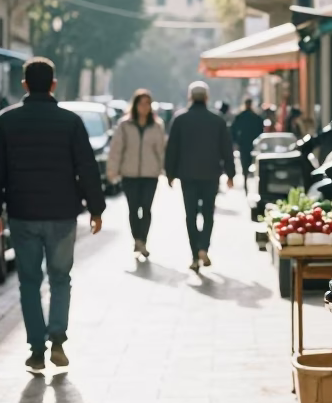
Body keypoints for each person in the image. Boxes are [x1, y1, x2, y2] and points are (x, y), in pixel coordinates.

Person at [0, 57, 105, 372]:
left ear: (24, 84)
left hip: (23, 213)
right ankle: (58, 339)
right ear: (53, 84)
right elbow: (87, 168)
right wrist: (96, 208)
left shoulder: (7, 122)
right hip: (63, 214)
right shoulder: (70, 122)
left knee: (29, 281)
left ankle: (36, 347)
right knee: (61, 277)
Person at [165, 80, 236, 271]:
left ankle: (195, 253)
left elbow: (172, 149)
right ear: (207, 97)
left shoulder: (180, 120)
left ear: (190, 97)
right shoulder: (217, 121)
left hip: (187, 175)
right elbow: (226, 149)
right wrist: (231, 174)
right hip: (211, 174)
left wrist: (169, 173)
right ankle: (204, 246)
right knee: (207, 214)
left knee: (190, 215)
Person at [107, 88, 166, 257]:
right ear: (135, 105)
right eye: (142, 103)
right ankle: (136, 239)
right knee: (134, 208)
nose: (145, 107)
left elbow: (161, 150)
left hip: (150, 174)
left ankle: (143, 241)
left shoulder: (157, 125)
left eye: (148, 104)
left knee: (146, 208)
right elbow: (116, 149)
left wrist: (164, 169)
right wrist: (113, 170)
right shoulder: (125, 125)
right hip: (130, 173)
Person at [231, 97, 263, 193]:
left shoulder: (241, 116)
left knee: (245, 164)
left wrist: (236, 141)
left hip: (245, 143)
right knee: (250, 163)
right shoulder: (255, 117)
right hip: (250, 144)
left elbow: (233, 130)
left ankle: (247, 181)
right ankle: (247, 182)